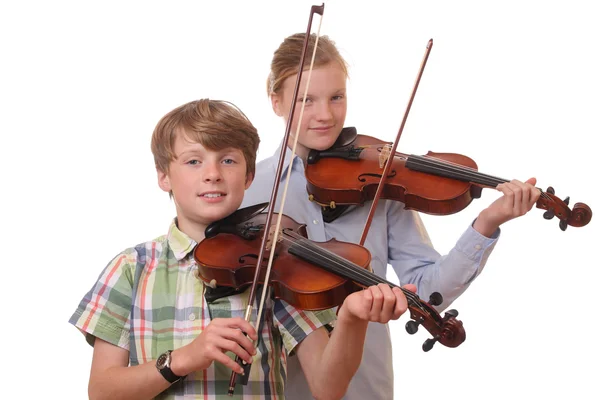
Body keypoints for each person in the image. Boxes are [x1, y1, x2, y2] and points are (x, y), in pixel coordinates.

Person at [240, 33, 541, 400]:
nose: (325, 114)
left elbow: (429, 291)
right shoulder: (248, 190)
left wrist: (486, 223)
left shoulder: (377, 182)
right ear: (276, 102)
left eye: (337, 97)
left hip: (367, 385)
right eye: (306, 100)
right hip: (279, 387)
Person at [69, 98, 415, 400]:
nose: (213, 174)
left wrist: (352, 319)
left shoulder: (275, 267)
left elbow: (328, 386)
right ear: (164, 176)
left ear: (249, 176)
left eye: (228, 161)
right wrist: (186, 357)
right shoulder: (132, 268)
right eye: (193, 161)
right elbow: (102, 391)